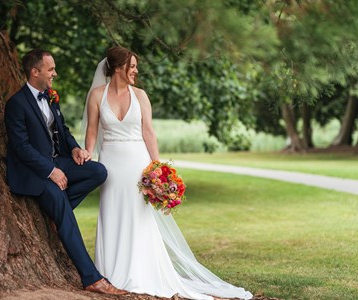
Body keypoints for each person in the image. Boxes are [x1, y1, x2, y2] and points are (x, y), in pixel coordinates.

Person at [83, 46, 253, 300]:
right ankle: (111, 273)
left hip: (137, 164)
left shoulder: (140, 96)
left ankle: (141, 272)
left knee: (139, 218)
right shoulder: (97, 95)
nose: (136, 71)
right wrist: (87, 153)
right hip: (111, 165)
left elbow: (148, 132)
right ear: (118, 67)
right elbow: (93, 132)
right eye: (132, 66)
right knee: (113, 214)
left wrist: (159, 169)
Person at [4, 49, 127, 295]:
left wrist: (75, 149)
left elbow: (63, 129)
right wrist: (51, 171)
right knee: (63, 211)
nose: (55, 73)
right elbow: (21, 147)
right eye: (50, 69)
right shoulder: (16, 104)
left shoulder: (51, 97)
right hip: (34, 173)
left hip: (59, 161)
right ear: (34, 71)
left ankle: (57, 212)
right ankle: (92, 278)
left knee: (98, 172)